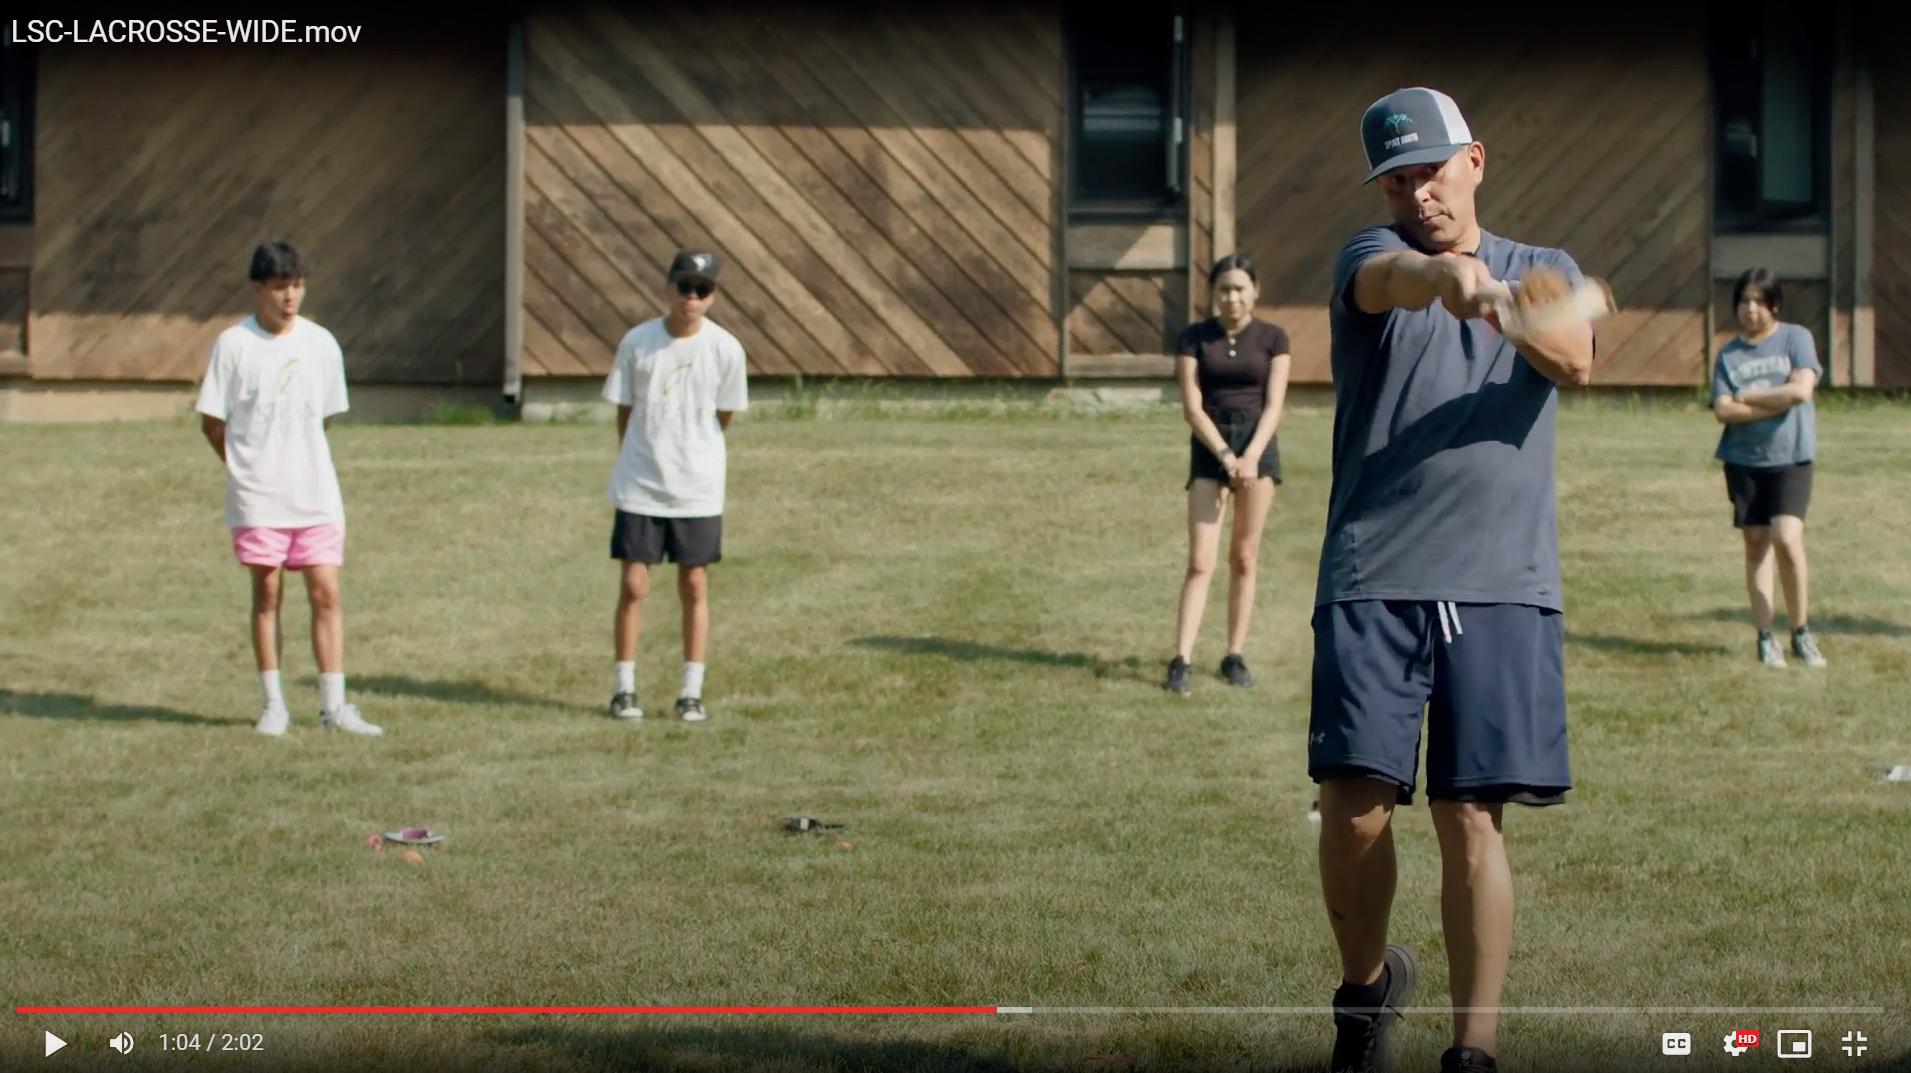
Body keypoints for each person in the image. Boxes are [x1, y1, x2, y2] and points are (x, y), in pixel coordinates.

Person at [1309, 88, 1597, 1073]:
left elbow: (1574, 359)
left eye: (1431, 170)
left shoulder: (1546, 268)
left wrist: (1503, 304)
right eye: (1397, 179)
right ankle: (1366, 986)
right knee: (1353, 809)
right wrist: (1443, 281)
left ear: (1474, 160)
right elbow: (1386, 280)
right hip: (1372, 574)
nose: (1418, 192)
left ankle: (1473, 1047)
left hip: (1501, 579)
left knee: (1471, 813)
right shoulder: (1368, 253)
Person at [195, 240, 381, 738]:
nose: (290, 297)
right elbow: (212, 422)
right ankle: (274, 705)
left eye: (297, 286)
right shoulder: (234, 345)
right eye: (280, 287)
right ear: (259, 289)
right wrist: (244, 469)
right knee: (268, 593)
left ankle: (334, 706)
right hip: (258, 499)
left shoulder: (321, 344)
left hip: (315, 494)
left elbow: (325, 418)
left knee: (327, 592)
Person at [602, 250, 748, 722]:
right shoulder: (638, 342)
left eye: (702, 290)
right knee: (634, 584)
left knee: (694, 583)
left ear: (713, 296)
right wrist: (637, 455)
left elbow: (723, 415)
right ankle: (624, 688)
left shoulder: (726, 349)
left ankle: (691, 691)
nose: (691, 297)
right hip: (642, 480)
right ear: (669, 288)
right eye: (684, 287)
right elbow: (625, 409)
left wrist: (694, 451)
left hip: (696, 485)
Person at [1163, 253, 1293, 695]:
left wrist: (1251, 456)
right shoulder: (1193, 338)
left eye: (1239, 289)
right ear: (1213, 294)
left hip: (1257, 447)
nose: (1232, 297)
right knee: (1201, 561)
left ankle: (1233, 654)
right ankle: (1182, 658)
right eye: (1224, 289)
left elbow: (1274, 404)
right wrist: (1223, 453)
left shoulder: (1274, 338)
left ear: (1255, 291)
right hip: (1210, 447)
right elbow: (1192, 406)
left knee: (1243, 557)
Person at [1709, 268, 1825, 668]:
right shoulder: (1729, 354)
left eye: (1759, 301)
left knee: (1787, 540)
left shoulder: (1796, 338)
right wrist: (1777, 400)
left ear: (1774, 305)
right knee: (1756, 544)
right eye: (1744, 301)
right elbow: (1723, 410)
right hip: (1744, 461)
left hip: (1791, 457)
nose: (1751, 309)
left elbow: (1801, 391)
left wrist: (1749, 396)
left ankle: (1800, 631)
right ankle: (1765, 636)